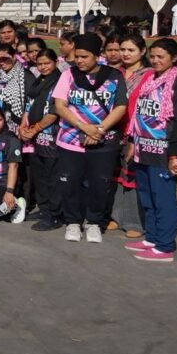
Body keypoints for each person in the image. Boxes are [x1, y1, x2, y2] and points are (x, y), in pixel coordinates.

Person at [52, 34, 127, 244]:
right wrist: (82, 126)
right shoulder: (68, 75)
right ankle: (73, 221)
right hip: (71, 140)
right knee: (70, 182)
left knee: (100, 183)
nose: (79, 61)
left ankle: (94, 221)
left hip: (104, 141)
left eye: (84, 56)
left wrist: (99, 130)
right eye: (77, 56)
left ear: (97, 55)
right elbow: (60, 106)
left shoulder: (114, 76)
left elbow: (120, 106)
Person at [127, 38, 177, 262]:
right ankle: (152, 237)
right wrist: (133, 141)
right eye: (152, 56)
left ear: (174, 58)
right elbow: (139, 115)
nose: (155, 60)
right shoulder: (150, 80)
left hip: (163, 152)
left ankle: (165, 246)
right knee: (147, 196)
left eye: (161, 57)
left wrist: (175, 154)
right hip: (143, 148)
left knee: (163, 198)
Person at [111, 33, 150, 238]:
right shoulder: (115, 72)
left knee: (133, 177)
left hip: (136, 132)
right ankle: (115, 216)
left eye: (131, 50)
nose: (125, 54)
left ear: (142, 51)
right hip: (113, 130)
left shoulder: (149, 75)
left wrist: (136, 136)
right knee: (115, 175)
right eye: (122, 49)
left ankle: (134, 221)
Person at [20, 49, 64, 231]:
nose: (44, 67)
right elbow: (28, 106)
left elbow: (54, 112)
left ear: (55, 62)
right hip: (35, 138)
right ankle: (44, 209)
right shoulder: (39, 82)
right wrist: (23, 127)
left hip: (51, 137)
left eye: (47, 63)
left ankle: (54, 215)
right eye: (40, 64)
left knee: (52, 178)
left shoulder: (60, 82)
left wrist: (35, 129)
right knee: (39, 177)